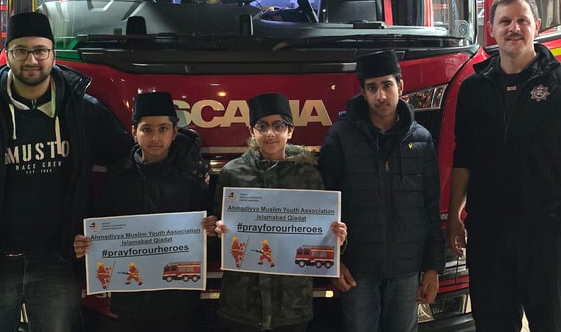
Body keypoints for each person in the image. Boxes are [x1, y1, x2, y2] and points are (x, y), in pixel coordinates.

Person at [0, 11, 132, 332]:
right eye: (21, 51)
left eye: (40, 50)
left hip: (57, 265)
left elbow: (127, 165)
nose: (31, 60)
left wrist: (103, 228)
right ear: (7, 55)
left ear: (53, 54)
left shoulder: (83, 112)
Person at [447, 0, 561, 332]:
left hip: (551, 237)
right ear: (490, 29)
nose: (514, 28)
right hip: (489, 237)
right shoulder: (474, 90)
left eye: (522, 20)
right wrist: (453, 217)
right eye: (505, 21)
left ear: (536, 26)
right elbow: (463, 156)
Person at [319, 50, 444, 332]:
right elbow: (326, 205)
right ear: (363, 93)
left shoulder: (422, 140)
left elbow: (430, 206)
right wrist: (332, 262)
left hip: (407, 269)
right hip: (357, 270)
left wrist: (433, 267)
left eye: (387, 85)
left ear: (400, 86)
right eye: (372, 88)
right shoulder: (340, 138)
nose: (381, 96)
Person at [73, 90, 216, 332]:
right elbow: (99, 226)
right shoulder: (118, 176)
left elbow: (207, 238)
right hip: (131, 302)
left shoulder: (192, 177)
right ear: (134, 132)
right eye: (147, 129)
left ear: (174, 132)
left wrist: (213, 229)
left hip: (180, 300)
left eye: (163, 129)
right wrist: (84, 244)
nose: (155, 137)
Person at [212, 92, 347, 332]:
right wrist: (218, 230)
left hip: (291, 305)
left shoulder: (308, 174)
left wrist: (337, 239)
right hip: (241, 304)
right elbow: (217, 234)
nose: (270, 133)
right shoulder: (233, 173)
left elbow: (322, 235)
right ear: (251, 130)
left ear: (290, 130)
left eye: (278, 126)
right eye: (261, 126)